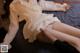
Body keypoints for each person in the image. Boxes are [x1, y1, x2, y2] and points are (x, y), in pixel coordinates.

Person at [1, 0, 80, 52]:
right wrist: (5, 44)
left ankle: (76, 42)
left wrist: (62, 7)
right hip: (33, 25)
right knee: (45, 31)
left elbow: (45, 5)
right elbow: (14, 26)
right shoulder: (13, 5)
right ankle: (76, 42)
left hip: (45, 19)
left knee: (76, 32)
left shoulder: (34, 0)